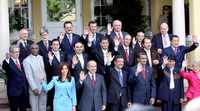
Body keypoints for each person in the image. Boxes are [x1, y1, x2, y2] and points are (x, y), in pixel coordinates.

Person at [2, 45, 28, 111]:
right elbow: (5, 67)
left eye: (18, 52)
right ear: (10, 53)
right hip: (13, 92)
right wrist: (7, 59)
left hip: (23, 91)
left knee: (23, 109)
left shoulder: (21, 60)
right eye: (15, 52)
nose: (17, 53)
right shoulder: (6, 62)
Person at [23, 43, 47, 111]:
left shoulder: (41, 57)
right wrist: (34, 88)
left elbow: (43, 72)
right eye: (32, 48)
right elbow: (28, 76)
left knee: (43, 106)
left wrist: (46, 85)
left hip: (43, 86)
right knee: (35, 107)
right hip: (34, 88)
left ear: (38, 49)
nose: (34, 50)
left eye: (36, 48)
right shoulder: (26, 60)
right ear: (30, 50)